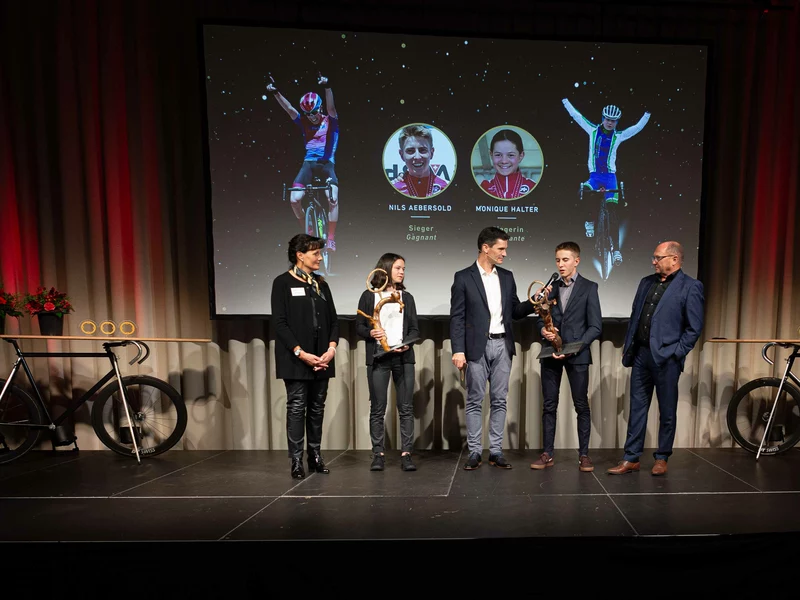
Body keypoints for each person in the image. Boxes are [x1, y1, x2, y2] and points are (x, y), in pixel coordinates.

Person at [608, 241, 704, 476]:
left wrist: (676, 353)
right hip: (641, 355)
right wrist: (629, 344)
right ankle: (631, 458)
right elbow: (635, 316)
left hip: (666, 358)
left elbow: (694, 328)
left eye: (658, 257)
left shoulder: (690, 287)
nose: (653, 261)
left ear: (674, 259)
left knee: (667, 409)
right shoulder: (646, 283)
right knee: (638, 408)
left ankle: (662, 457)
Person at [450, 226, 536, 470]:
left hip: (502, 345)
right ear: (485, 248)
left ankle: (496, 451)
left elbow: (515, 312)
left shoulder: (507, 277)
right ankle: (475, 451)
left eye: (505, 249)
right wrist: (458, 350)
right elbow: (457, 317)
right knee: (475, 400)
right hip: (476, 347)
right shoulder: (463, 277)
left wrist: (533, 302)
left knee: (499, 400)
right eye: (501, 249)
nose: (504, 254)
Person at [271, 233, 339, 479]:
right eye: (315, 253)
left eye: (320, 253)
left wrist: (331, 349)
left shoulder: (322, 284)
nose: (320, 257)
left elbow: (333, 320)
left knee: (317, 409)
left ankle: (315, 456)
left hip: (322, 359)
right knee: (297, 407)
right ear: (300, 255)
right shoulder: (282, 283)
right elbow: (280, 324)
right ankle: (297, 460)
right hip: (296, 359)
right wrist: (301, 353)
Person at [530, 242, 602, 472]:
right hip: (550, 352)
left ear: (576, 261)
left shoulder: (589, 287)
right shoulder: (549, 288)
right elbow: (541, 316)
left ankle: (584, 455)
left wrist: (576, 347)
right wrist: (543, 329)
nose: (561, 265)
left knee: (581, 404)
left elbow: (595, 326)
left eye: (565, 260)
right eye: (558, 260)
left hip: (577, 354)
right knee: (549, 404)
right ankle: (547, 453)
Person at [562, 99, 651, 266]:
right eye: (607, 119)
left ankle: (616, 250)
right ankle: (589, 222)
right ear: (603, 118)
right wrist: (565, 101)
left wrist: (647, 114)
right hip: (595, 176)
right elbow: (576, 116)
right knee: (584, 191)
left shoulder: (619, 135)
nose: (610, 123)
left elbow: (637, 128)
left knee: (612, 211)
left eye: (613, 120)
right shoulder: (593, 130)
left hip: (610, 178)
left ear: (617, 122)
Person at [356, 253, 420, 472]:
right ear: (385, 269)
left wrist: (407, 344)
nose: (402, 272)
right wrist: (371, 332)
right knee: (378, 407)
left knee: (405, 407)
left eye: (404, 268)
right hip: (378, 359)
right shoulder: (368, 296)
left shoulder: (407, 297)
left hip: (403, 359)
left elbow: (414, 330)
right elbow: (359, 327)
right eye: (398, 268)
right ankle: (378, 454)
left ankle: (406, 454)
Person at [267, 74, 340, 252]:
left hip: (326, 165)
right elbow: (289, 109)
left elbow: (331, 107)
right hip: (308, 164)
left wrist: (328, 86)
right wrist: (276, 92)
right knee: (294, 200)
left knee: (333, 198)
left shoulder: (331, 121)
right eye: (308, 114)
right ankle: (306, 230)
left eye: (314, 112)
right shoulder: (304, 122)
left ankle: (330, 238)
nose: (312, 117)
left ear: (319, 108)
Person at [391, 125, 449, 198]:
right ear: (401, 155)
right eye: (410, 151)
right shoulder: (394, 189)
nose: (417, 157)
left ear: (431, 153)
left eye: (422, 150)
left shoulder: (445, 187)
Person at [479, 129, 536, 200]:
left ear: (521, 156)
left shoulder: (532, 186)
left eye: (511, 155)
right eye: (498, 155)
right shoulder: (484, 187)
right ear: (491, 155)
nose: (504, 161)